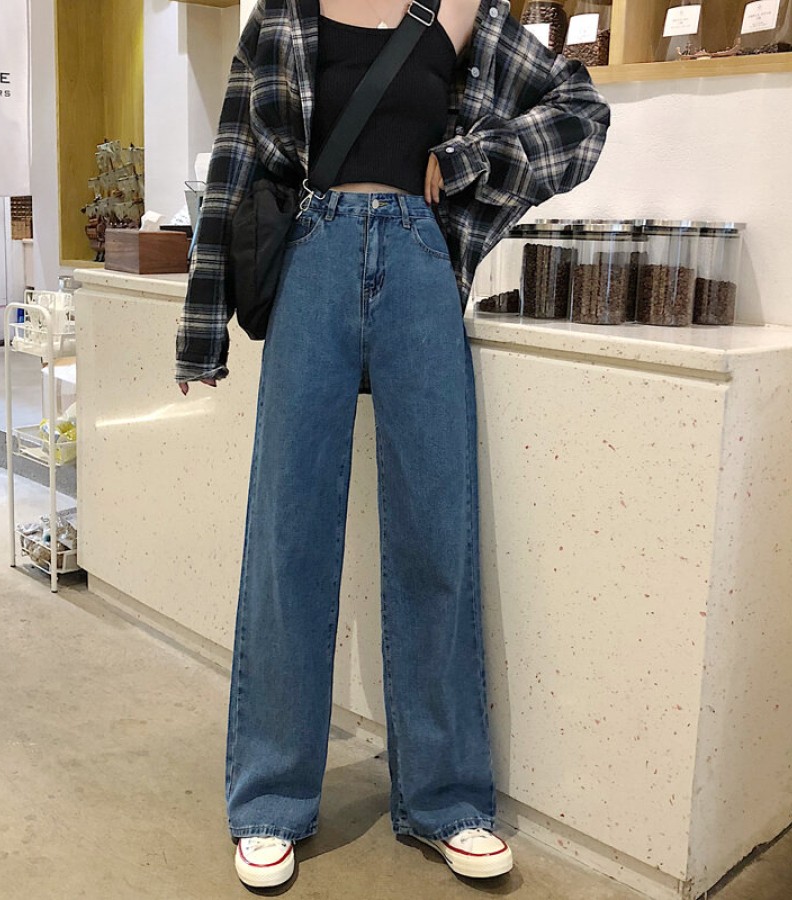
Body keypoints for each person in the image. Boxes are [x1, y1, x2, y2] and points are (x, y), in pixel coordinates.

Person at [175, 0, 609, 889]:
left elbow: (581, 110)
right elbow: (235, 163)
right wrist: (202, 331)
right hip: (313, 257)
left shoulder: (461, 11)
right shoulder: (283, 18)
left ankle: (447, 800)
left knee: (435, 535)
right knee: (289, 536)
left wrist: (474, 159)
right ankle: (270, 799)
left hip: (419, 260)